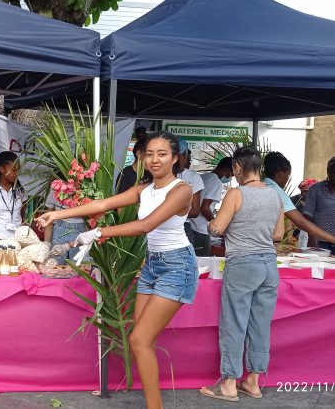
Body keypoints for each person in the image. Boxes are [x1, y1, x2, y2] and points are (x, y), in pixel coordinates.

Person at [36, 132, 197, 409]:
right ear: (142, 157)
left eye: (162, 154)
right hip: (151, 265)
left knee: (140, 340)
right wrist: (57, 214)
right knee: (141, 342)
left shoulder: (181, 190)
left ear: (175, 158)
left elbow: (146, 225)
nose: (155, 160)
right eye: (149, 154)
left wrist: (100, 232)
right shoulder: (144, 189)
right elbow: (103, 204)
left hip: (176, 266)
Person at [200, 146, 285, 402]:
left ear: (237, 167)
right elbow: (278, 235)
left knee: (234, 323)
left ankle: (228, 383)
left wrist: (211, 224)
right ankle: (253, 382)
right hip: (269, 264)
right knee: (261, 324)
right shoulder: (275, 195)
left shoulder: (236, 194)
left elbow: (217, 228)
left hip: (242, 263)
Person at [263, 152, 335, 248]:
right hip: (263, 244)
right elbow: (301, 222)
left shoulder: (261, 186)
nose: (287, 179)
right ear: (280, 174)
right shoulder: (277, 191)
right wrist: (332, 239)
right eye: (288, 175)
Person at [189, 157, 233, 256]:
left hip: (191, 226)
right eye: (232, 174)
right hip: (200, 230)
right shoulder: (216, 182)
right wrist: (216, 223)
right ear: (227, 169)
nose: (231, 177)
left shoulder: (204, 177)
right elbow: (205, 208)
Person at [303, 156, 335, 255]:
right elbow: (307, 215)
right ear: (328, 171)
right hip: (320, 242)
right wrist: (312, 235)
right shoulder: (315, 189)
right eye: (333, 172)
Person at [176, 142, 204, 247]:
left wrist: (167, 212)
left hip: (183, 226)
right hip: (159, 226)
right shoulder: (160, 175)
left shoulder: (194, 178)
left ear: (185, 156)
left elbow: (195, 211)